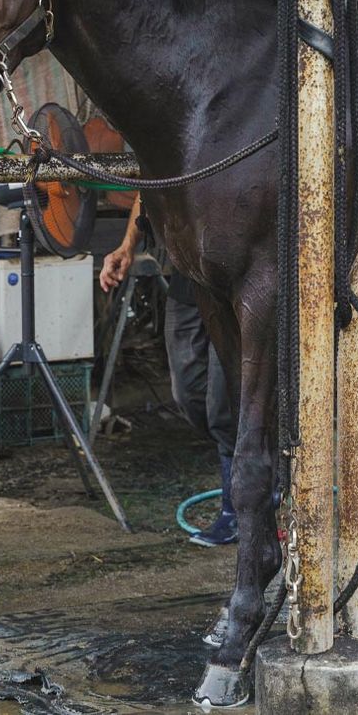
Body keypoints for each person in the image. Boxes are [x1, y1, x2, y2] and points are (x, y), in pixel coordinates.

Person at [100, 196, 238, 547]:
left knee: (224, 409)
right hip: (189, 273)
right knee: (188, 392)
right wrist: (127, 247)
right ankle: (257, 464)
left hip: (236, 273)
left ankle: (238, 511)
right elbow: (149, 185)